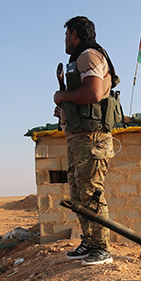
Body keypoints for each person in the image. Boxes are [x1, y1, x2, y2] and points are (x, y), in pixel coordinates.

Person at [53, 16, 120, 266]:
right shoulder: (80, 58)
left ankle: (102, 248)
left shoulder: (89, 55)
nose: (65, 41)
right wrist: (66, 109)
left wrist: (62, 96)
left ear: (74, 33)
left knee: (91, 193)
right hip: (80, 139)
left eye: (66, 35)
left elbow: (93, 92)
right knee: (78, 195)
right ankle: (90, 242)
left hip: (92, 140)